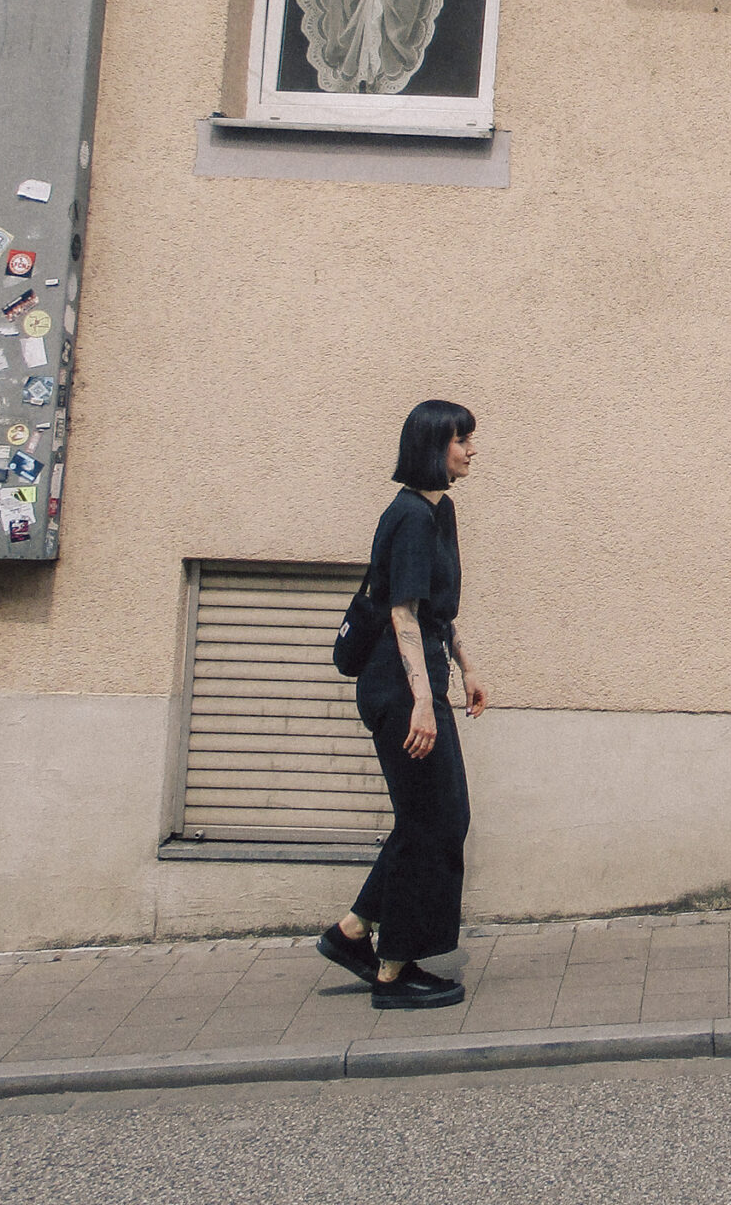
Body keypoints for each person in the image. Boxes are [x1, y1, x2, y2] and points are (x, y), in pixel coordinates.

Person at [317, 399, 491, 1009]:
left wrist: (466, 667)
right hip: (398, 685)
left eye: (471, 439)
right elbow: (401, 611)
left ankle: (353, 932)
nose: (472, 449)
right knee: (437, 822)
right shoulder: (411, 517)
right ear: (431, 446)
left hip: (417, 676)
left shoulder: (439, 514)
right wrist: (424, 698)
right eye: (461, 440)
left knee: (429, 818)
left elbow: (437, 611)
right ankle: (394, 973)